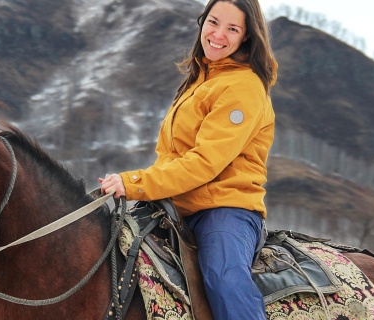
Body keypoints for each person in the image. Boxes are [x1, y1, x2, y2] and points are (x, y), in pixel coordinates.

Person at [99, 0, 277, 318]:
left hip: (226, 210)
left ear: (247, 37)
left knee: (224, 278)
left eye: (232, 28)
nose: (218, 34)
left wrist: (135, 183)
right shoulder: (201, 81)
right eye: (213, 22)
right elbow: (171, 157)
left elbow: (204, 163)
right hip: (176, 206)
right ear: (202, 22)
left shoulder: (244, 88)